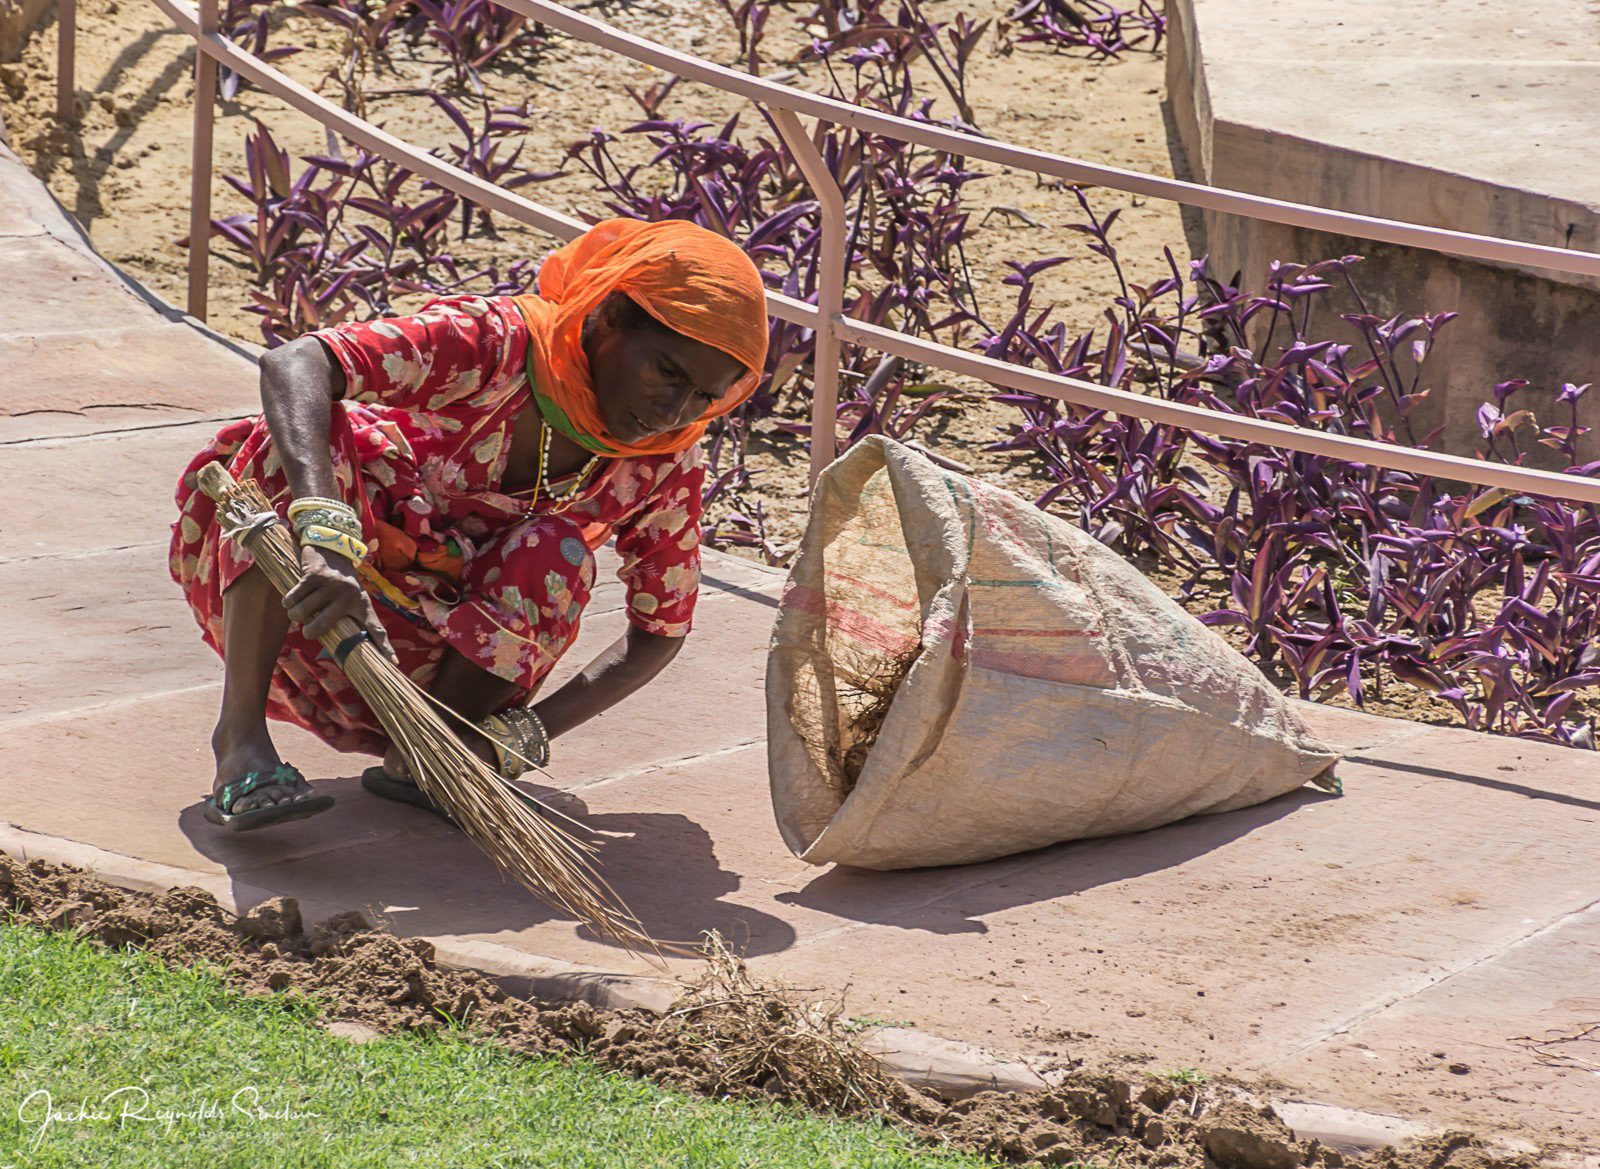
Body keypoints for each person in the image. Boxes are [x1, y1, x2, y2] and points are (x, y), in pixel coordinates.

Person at [170, 218, 769, 831]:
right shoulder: (495, 345)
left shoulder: (664, 460)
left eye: (704, 397)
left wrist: (518, 737)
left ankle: (428, 757)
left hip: (433, 672)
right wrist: (326, 543)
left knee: (555, 552)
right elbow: (297, 363)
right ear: (609, 315)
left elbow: (660, 630)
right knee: (292, 440)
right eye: (667, 373)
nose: (674, 412)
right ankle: (239, 743)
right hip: (309, 598)